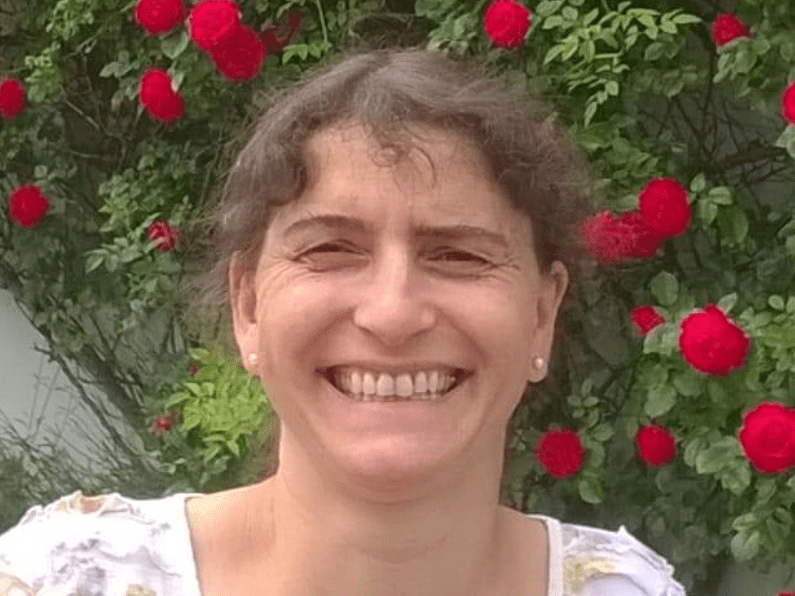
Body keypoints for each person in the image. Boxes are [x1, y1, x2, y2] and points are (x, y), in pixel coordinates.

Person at [0, 46, 686, 596]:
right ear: (248, 308)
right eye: (329, 250)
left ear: (540, 315)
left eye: (459, 255)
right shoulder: (65, 579)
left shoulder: (625, 589)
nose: (392, 314)